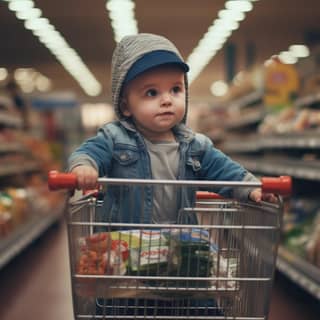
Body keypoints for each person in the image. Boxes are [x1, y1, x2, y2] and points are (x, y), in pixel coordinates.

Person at [68, 33, 276, 316]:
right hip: (127, 255)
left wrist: (251, 188)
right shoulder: (114, 138)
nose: (166, 100)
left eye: (175, 90)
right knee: (123, 307)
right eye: (151, 93)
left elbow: (226, 171)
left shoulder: (195, 145)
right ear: (126, 105)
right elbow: (89, 151)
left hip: (179, 253)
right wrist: (84, 168)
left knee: (200, 307)